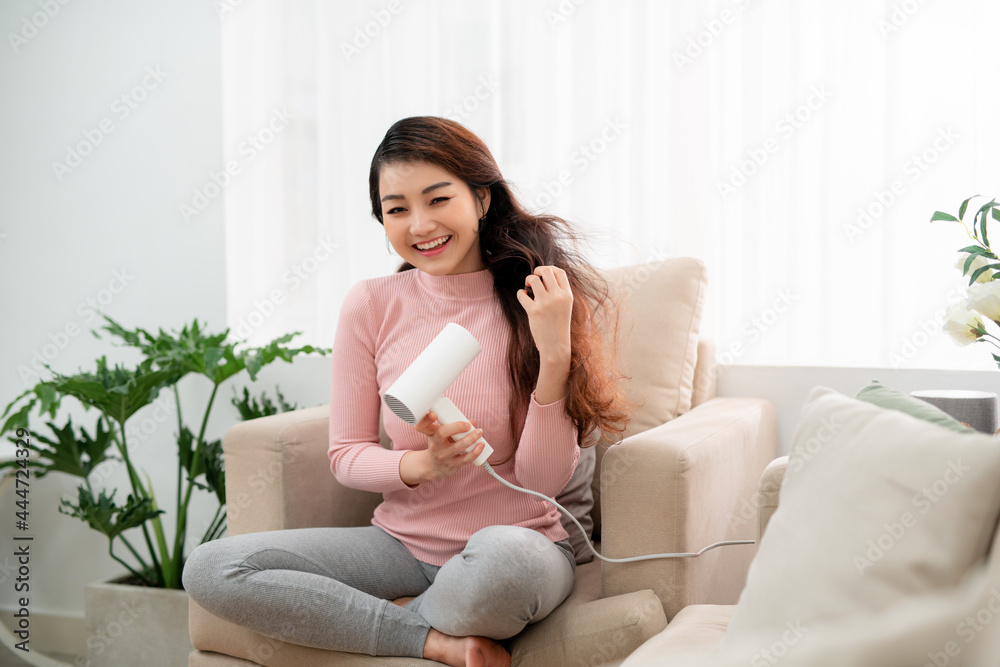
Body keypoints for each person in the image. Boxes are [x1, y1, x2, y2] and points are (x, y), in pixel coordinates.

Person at [183, 116, 635, 667]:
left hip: (518, 544)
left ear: (482, 198)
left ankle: (393, 615)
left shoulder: (539, 300)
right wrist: (422, 466)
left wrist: (555, 354)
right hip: (400, 546)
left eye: (437, 199)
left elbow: (543, 480)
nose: (419, 225)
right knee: (212, 568)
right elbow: (345, 455)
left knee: (506, 562)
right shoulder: (372, 304)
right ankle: (429, 636)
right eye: (396, 209)